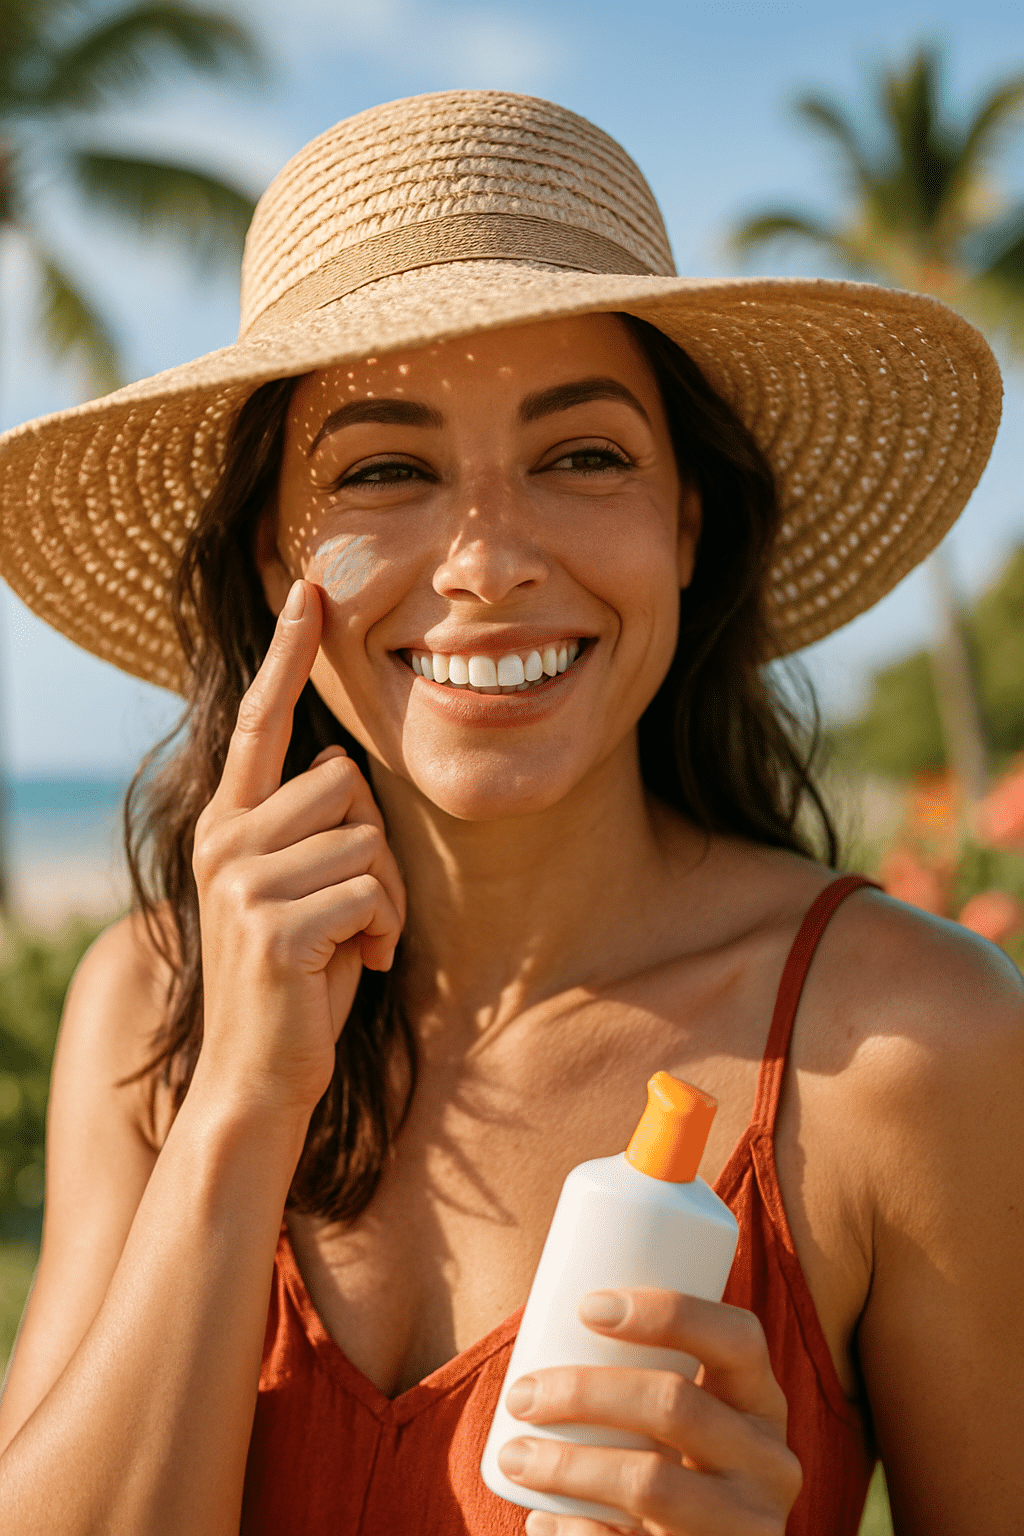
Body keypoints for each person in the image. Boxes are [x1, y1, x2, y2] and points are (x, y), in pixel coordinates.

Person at [0, 90, 1019, 1536]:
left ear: (686, 522)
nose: (488, 563)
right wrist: (238, 1100)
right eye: (385, 471)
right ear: (270, 555)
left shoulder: (913, 1052)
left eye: (584, 454)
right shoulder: (149, 1010)